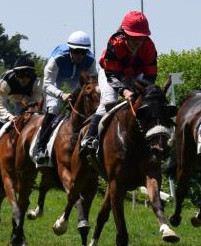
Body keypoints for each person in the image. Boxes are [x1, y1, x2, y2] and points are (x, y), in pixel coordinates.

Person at [81, 11, 158, 153]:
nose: (138, 42)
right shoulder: (115, 43)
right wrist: (125, 91)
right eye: (134, 37)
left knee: (148, 99)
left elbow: (150, 75)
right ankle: (90, 138)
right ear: (125, 34)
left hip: (134, 74)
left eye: (141, 37)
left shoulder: (149, 46)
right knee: (109, 100)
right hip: (111, 73)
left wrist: (143, 91)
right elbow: (112, 75)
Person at [31, 30, 96, 162]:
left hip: (76, 78)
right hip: (56, 78)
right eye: (76, 51)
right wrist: (61, 94)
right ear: (70, 49)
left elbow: (93, 82)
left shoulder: (91, 60)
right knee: (54, 107)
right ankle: (41, 147)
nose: (80, 56)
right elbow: (47, 85)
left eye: (83, 52)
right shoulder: (57, 59)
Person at [0, 55, 44, 143]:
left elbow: (36, 106)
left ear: (32, 74)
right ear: (15, 73)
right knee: (2, 119)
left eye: (28, 75)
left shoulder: (37, 83)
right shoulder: (4, 83)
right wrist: (9, 117)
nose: (24, 79)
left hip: (25, 96)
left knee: (29, 116)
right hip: (7, 93)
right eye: (20, 75)